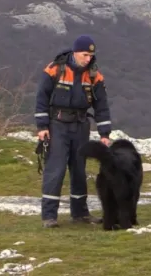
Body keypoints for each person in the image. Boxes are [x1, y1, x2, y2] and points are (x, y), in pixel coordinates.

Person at [34, 35, 113, 228]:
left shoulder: (94, 75)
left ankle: (80, 214)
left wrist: (104, 134)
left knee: (79, 170)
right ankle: (49, 216)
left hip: (81, 126)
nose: (88, 59)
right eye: (85, 55)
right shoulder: (55, 69)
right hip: (57, 125)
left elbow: (101, 106)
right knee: (56, 169)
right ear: (76, 52)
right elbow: (41, 98)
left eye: (91, 55)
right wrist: (42, 127)